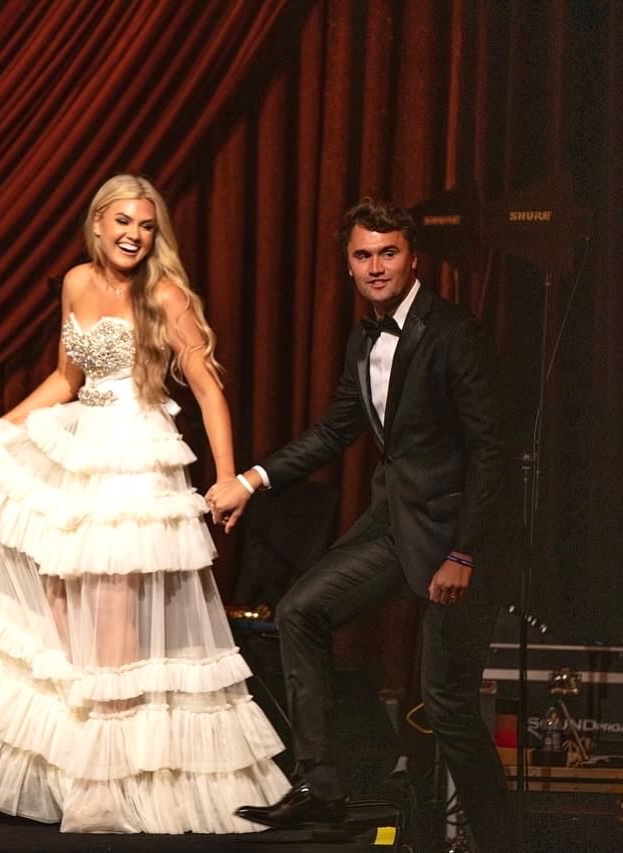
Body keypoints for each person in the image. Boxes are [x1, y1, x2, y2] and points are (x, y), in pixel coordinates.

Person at [0, 174, 288, 833]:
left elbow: (207, 388)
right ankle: (77, 772)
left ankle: (117, 788)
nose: (133, 235)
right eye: (122, 222)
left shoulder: (165, 294)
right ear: (97, 223)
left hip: (136, 459)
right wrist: (1, 428)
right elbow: (64, 376)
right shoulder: (76, 282)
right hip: (78, 452)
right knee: (61, 611)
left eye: (145, 225)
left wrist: (226, 476)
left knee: (113, 625)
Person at [206, 197, 516, 851]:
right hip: (394, 522)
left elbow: (492, 452)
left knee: (446, 704)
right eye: (362, 254)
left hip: (456, 539)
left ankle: (500, 836)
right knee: (299, 611)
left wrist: (463, 553)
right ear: (347, 264)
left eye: (387, 252)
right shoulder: (361, 337)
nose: (375, 266)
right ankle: (319, 786)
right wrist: (251, 480)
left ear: (411, 257)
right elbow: (334, 431)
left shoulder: (454, 332)